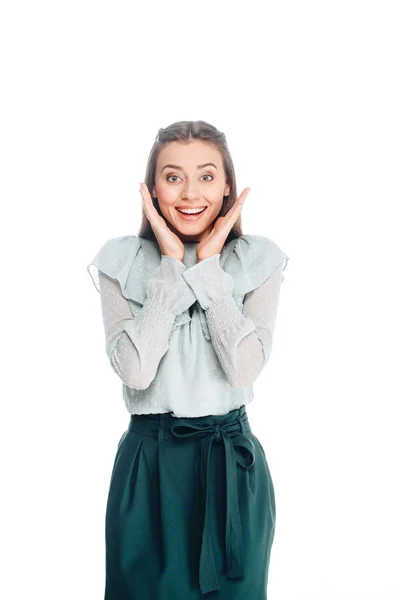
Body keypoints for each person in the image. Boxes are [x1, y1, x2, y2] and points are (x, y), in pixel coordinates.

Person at [87, 120, 289, 599]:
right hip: (148, 469)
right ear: (153, 190)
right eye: (173, 177)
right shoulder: (121, 262)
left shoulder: (258, 261)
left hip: (231, 468)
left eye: (206, 176)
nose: (190, 192)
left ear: (225, 188)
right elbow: (135, 371)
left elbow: (243, 368)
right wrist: (172, 269)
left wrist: (209, 271)